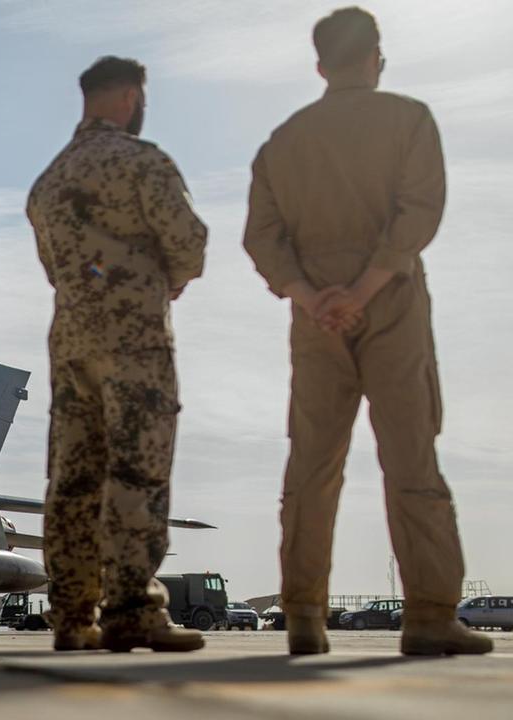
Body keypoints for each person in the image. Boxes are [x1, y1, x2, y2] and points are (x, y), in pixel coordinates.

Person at [243, 6, 492, 656]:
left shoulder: (282, 141)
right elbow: (420, 209)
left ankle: (302, 615)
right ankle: (431, 616)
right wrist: (363, 289)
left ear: (320, 66)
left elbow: (262, 238)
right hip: (393, 307)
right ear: (377, 56)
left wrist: (310, 297)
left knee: (312, 465)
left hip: (313, 317)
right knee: (410, 456)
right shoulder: (408, 119)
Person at [26, 55, 207, 652]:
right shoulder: (141, 162)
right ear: (130, 97)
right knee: (138, 466)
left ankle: (74, 617)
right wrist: (165, 276)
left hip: (71, 340)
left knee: (73, 477)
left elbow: (56, 269)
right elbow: (189, 243)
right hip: (133, 338)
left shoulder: (48, 182)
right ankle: (131, 608)